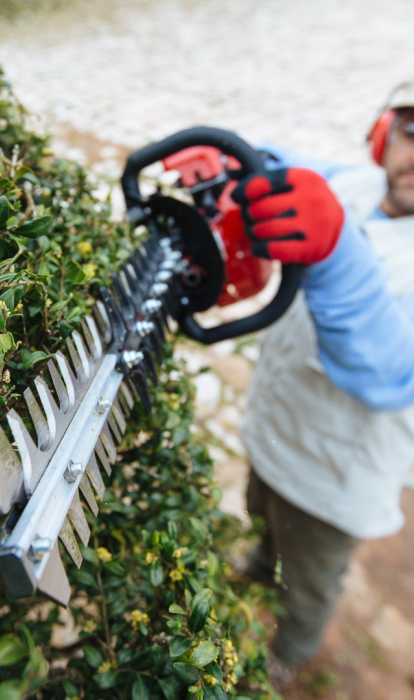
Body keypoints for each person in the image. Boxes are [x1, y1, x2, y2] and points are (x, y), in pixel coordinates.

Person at [229, 81, 414, 685]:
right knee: (262, 509)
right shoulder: (360, 184)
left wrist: (335, 254)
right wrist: (241, 159)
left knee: (309, 575)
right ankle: (259, 563)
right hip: (278, 427)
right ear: (383, 134)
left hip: (335, 478)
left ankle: (291, 650)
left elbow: (391, 371)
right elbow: (302, 168)